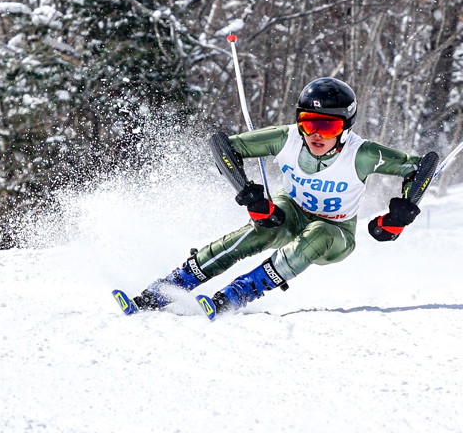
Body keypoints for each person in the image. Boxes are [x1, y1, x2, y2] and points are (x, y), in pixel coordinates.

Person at [115, 77, 438, 319]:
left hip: (336, 231)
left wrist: (401, 213)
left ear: (345, 126)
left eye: (327, 127)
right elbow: (222, 146)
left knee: (319, 233)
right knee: (261, 230)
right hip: (291, 210)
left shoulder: (363, 153)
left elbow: (423, 166)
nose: (315, 135)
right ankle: (163, 291)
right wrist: (250, 195)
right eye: (308, 124)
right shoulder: (287, 138)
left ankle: (237, 294)